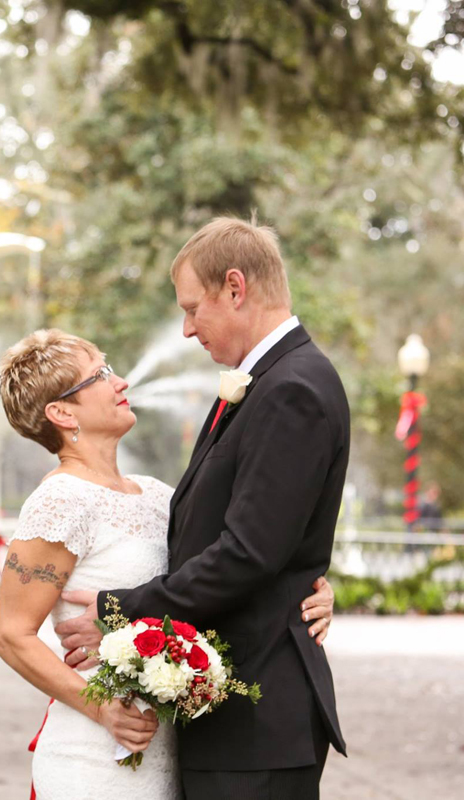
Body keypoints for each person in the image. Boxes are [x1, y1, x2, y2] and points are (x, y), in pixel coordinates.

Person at [57, 215, 350, 799]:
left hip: (258, 720)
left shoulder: (290, 389)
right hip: (229, 719)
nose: (187, 330)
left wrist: (121, 612)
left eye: (193, 309)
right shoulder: (265, 383)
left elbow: (248, 554)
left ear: (236, 289)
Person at [0, 325, 335, 800]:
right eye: (99, 376)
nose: (120, 382)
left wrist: (312, 588)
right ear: (61, 412)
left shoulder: (156, 495)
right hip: (94, 753)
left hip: (175, 750)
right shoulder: (58, 502)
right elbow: (11, 635)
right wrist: (103, 711)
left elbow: (233, 561)